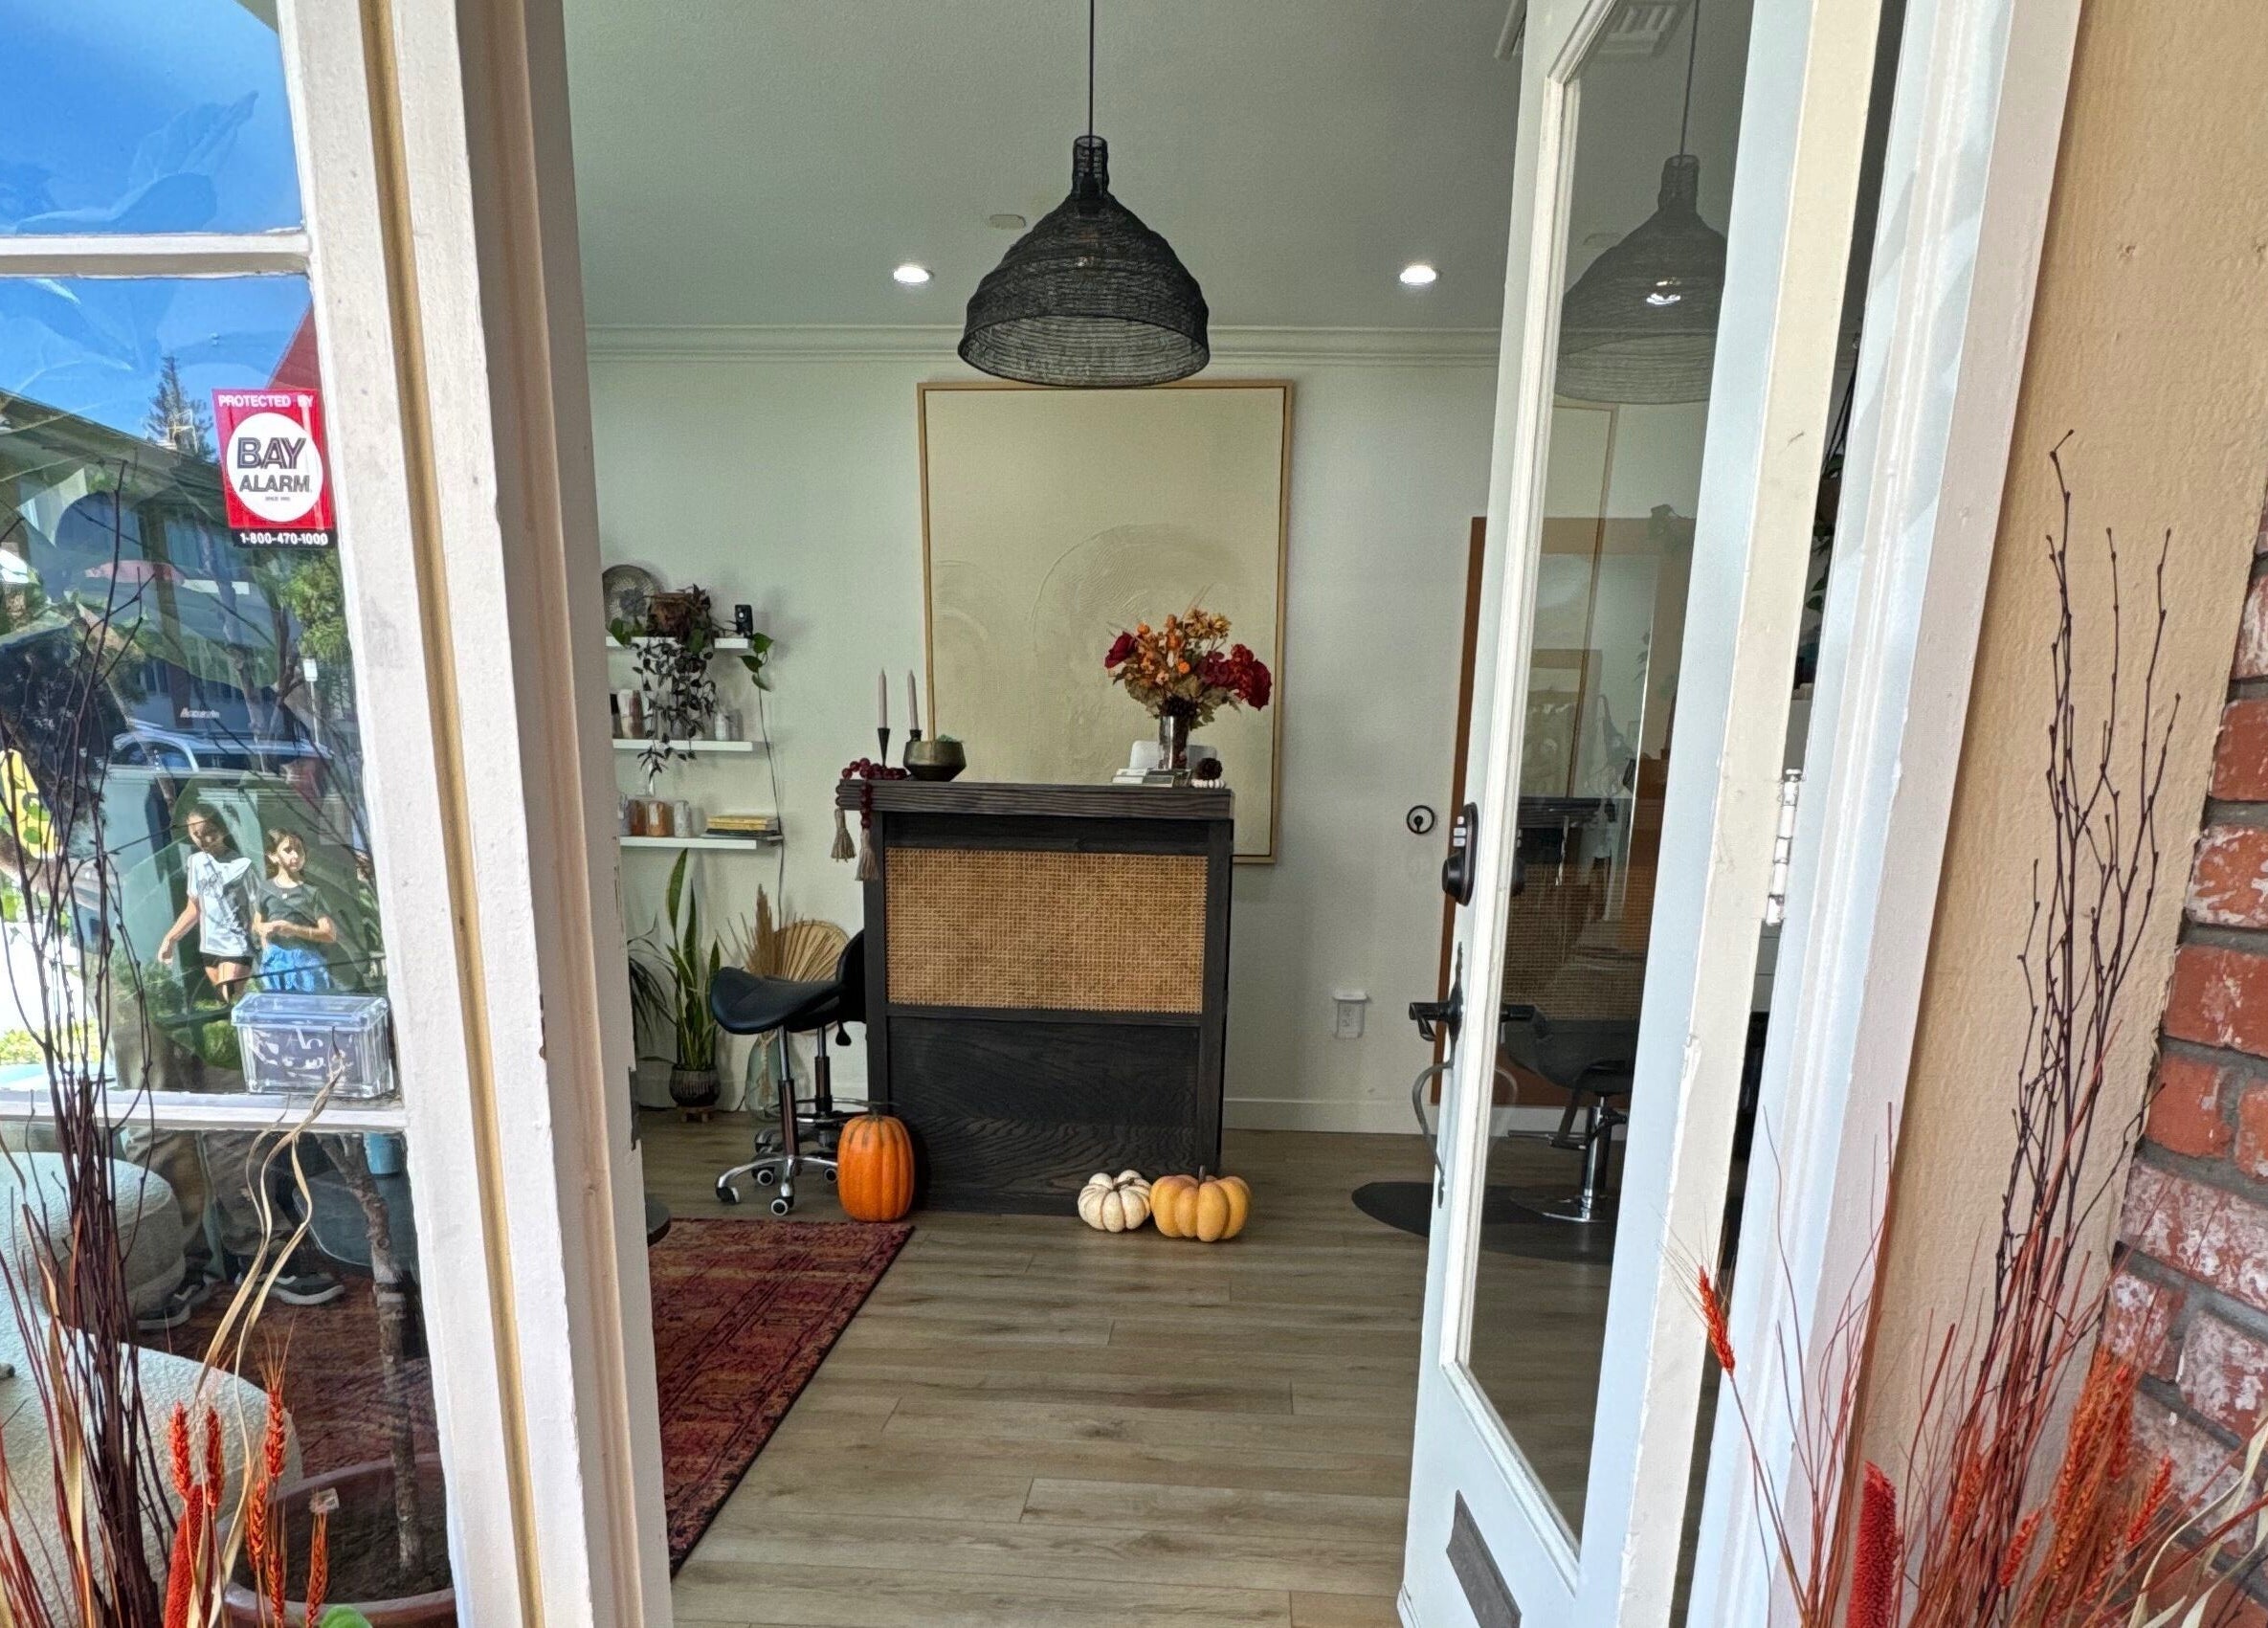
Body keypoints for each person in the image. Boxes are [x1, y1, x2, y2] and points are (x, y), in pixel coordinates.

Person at [155, 805, 254, 1003]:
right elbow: (194, 908)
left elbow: (255, 910)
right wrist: (170, 939)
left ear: (223, 830)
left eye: (210, 832)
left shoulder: (242, 865)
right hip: (209, 946)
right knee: (225, 1003)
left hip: (236, 945)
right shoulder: (196, 862)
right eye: (196, 834)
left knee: (231, 998)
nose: (204, 839)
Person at [251, 828, 336, 992]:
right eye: (288, 850)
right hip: (276, 964)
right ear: (273, 856)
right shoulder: (265, 889)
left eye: (299, 850)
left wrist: (293, 929)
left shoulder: (312, 891)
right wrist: (264, 932)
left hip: (307, 965)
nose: (295, 856)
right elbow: (257, 922)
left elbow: (329, 933)